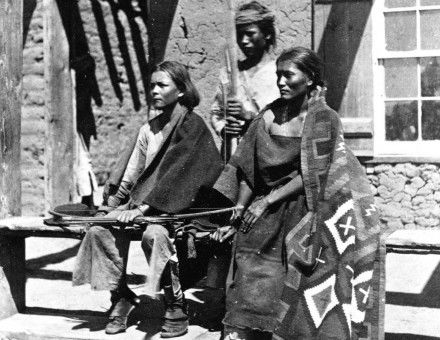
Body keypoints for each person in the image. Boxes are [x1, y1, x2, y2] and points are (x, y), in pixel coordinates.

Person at [212, 47, 380, 340]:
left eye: (288, 75)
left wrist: (267, 201)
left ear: (310, 78)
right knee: (249, 279)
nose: (281, 82)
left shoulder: (324, 119)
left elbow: (314, 173)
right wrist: (238, 210)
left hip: (305, 212)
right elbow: (249, 170)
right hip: (263, 215)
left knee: (292, 293)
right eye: (278, 75)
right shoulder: (266, 117)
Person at [72, 61, 224, 338]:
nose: (154, 90)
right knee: (98, 231)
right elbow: (130, 177)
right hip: (143, 206)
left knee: (154, 236)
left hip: (181, 210)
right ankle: (120, 297)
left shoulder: (193, 126)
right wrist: (112, 208)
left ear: (180, 91)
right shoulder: (148, 130)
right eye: (152, 85)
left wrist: (143, 208)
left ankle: (174, 304)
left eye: (162, 85)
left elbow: (181, 177)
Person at [210, 1, 279, 157]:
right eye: (239, 35)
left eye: (250, 33)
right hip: (233, 155)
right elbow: (216, 112)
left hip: (265, 155)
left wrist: (249, 116)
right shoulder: (230, 74)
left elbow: (284, 121)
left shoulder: (278, 74)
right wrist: (223, 128)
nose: (243, 41)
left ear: (267, 34)